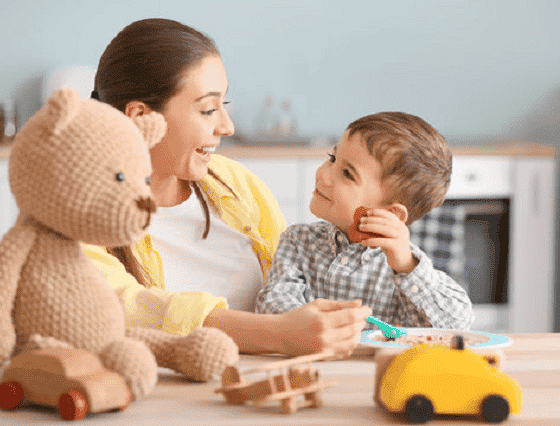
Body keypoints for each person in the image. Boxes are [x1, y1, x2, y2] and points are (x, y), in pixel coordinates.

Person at [82, 18, 370, 358]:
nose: (227, 127)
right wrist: (278, 335)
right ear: (140, 117)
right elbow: (122, 309)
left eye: (224, 105)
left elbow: (297, 276)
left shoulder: (236, 185)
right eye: (207, 109)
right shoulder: (77, 213)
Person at [255, 112, 474, 330]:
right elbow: (272, 303)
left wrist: (407, 267)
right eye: (332, 158)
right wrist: (319, 324)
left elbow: (458, 324)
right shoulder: (298, 240)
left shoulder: (405, 266)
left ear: (390, 213)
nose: (323, 174)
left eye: (348, 174)